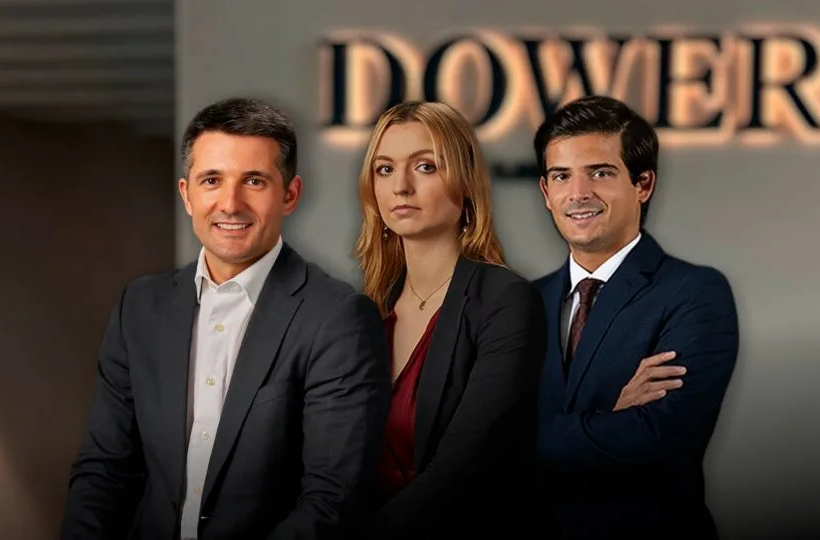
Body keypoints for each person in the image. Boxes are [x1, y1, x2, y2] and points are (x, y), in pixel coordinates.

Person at [60, 97, 392, 540]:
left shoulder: (338, 318)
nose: (230, 204)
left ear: (290, 195)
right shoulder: (139, 307)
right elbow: (104, 472)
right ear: (187, 194)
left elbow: (333, 500)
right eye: (212, 180)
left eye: (254, 181)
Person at [531, 95, 739, 539]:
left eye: (600, 173)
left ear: (643, 184)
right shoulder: (522, 303)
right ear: (546, 192)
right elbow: (469, 444)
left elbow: (658, 437)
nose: (578, 193)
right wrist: (610, 415)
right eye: (562, 176)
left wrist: (521, 441)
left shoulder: (695, 293)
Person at [353, 100, 547, 539]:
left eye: (425, 167)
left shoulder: (505, 301)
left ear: (465, 182)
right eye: (385, 169)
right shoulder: (367, 310)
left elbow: (463, 468)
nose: (401, 186)